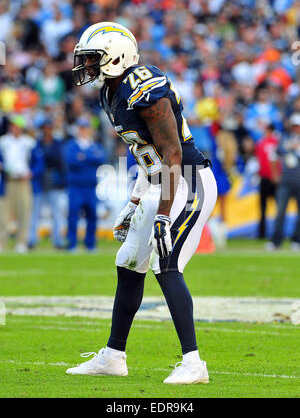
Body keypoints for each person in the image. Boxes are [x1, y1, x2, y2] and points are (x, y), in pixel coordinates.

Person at [66, 22, 217, 384]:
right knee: (128, 262)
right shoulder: (111, 92)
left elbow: (172, 154)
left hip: (188, 181)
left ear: (116, 57)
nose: (86, 67)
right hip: (159, 181)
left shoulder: (144, 88)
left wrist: (162, 214)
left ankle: (194, 363)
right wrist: (135, 201)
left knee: (167, 263)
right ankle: (114, 356)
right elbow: (145, 154)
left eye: (92, 59)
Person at [63, 117, 106, 252]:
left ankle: (90, 244)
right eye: (81, 128)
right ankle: (72, 244)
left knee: (92, 215)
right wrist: (89, 157)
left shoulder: (94, 145)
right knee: (73, 215)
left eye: (85, 128)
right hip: (76, 186)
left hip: (90, 186)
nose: (83, 131)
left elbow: (101, 158)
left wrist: (83, 157)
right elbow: (71, 161)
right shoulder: (72, 145)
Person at [0, 115, 39, 253]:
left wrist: (32, 172)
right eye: (12, 125)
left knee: (23, 213)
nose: (13, 128)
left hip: (23, 181)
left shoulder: (29, 143)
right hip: (7, 181)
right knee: (3, 214)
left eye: (16, 125)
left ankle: (21, 242)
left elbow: (38, 162)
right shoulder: (3, 142)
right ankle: (1, 242)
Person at [28, 118, 66, 250]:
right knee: (35, 212)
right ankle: (32, 239)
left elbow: (61, 163)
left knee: (56, 212)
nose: (47, 130)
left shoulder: (57, 144)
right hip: (39, 181)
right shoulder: (37, 144)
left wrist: (62, 181)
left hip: (53, 180)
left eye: (49, 127)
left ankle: (58, 240)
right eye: (45, 128)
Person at [267, 113, 300, 251]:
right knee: (280, 212)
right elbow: (273, 156)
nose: (296, 128)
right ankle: (276, 241)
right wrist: (275, 174)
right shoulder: (284, 139)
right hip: (285, 182)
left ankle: (297, 241)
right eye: (294, 126)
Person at [255, 124, 280, 239]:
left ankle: (262, 233)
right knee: (278, 208)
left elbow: (260, 161)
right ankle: (277, 233)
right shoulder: (277, 142)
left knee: (263, 207)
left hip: (266, 177)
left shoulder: (262, 143)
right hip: (274, 178)